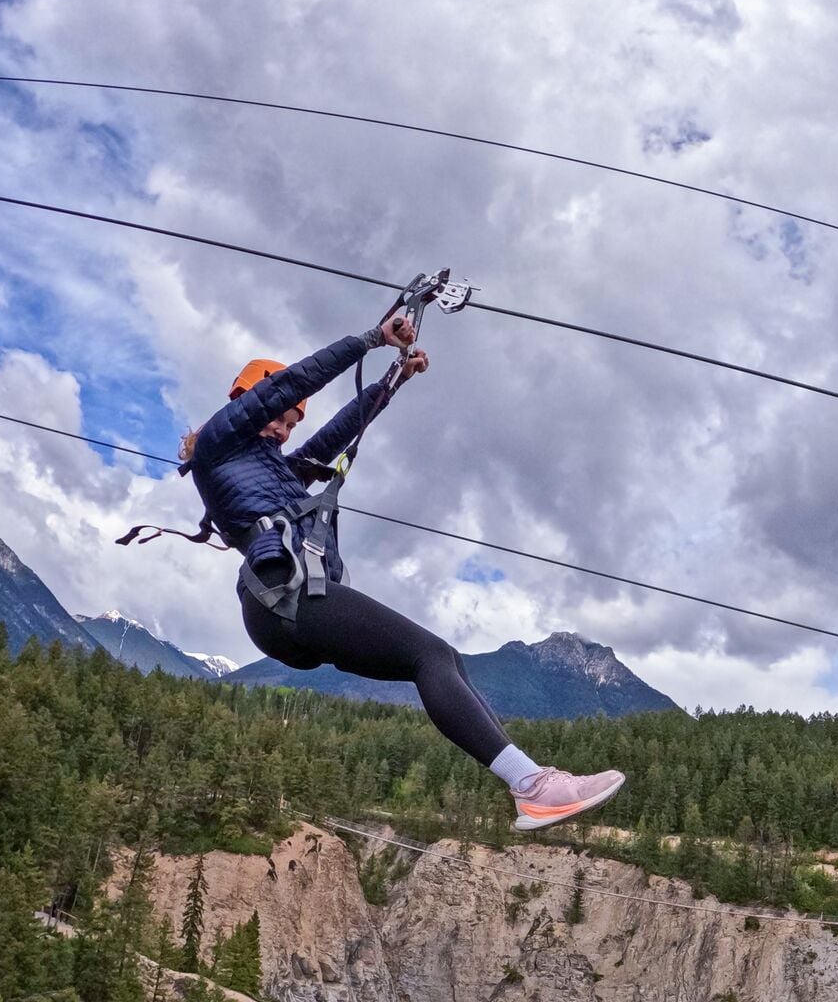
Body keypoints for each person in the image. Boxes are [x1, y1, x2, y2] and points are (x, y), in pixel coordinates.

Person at [179, 313, 625, 832]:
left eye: (291, 423)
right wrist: (372, 338)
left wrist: (394, 378)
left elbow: (332, 438)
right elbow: (297, 379)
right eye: (278, 415)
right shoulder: (218, 444)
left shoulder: (271, 465)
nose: (282, 427)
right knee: (429, 654)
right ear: (243, 399)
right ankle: (533, 788)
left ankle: (531, 783)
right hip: (284, 595)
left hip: (292, 602)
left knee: (444, 659)